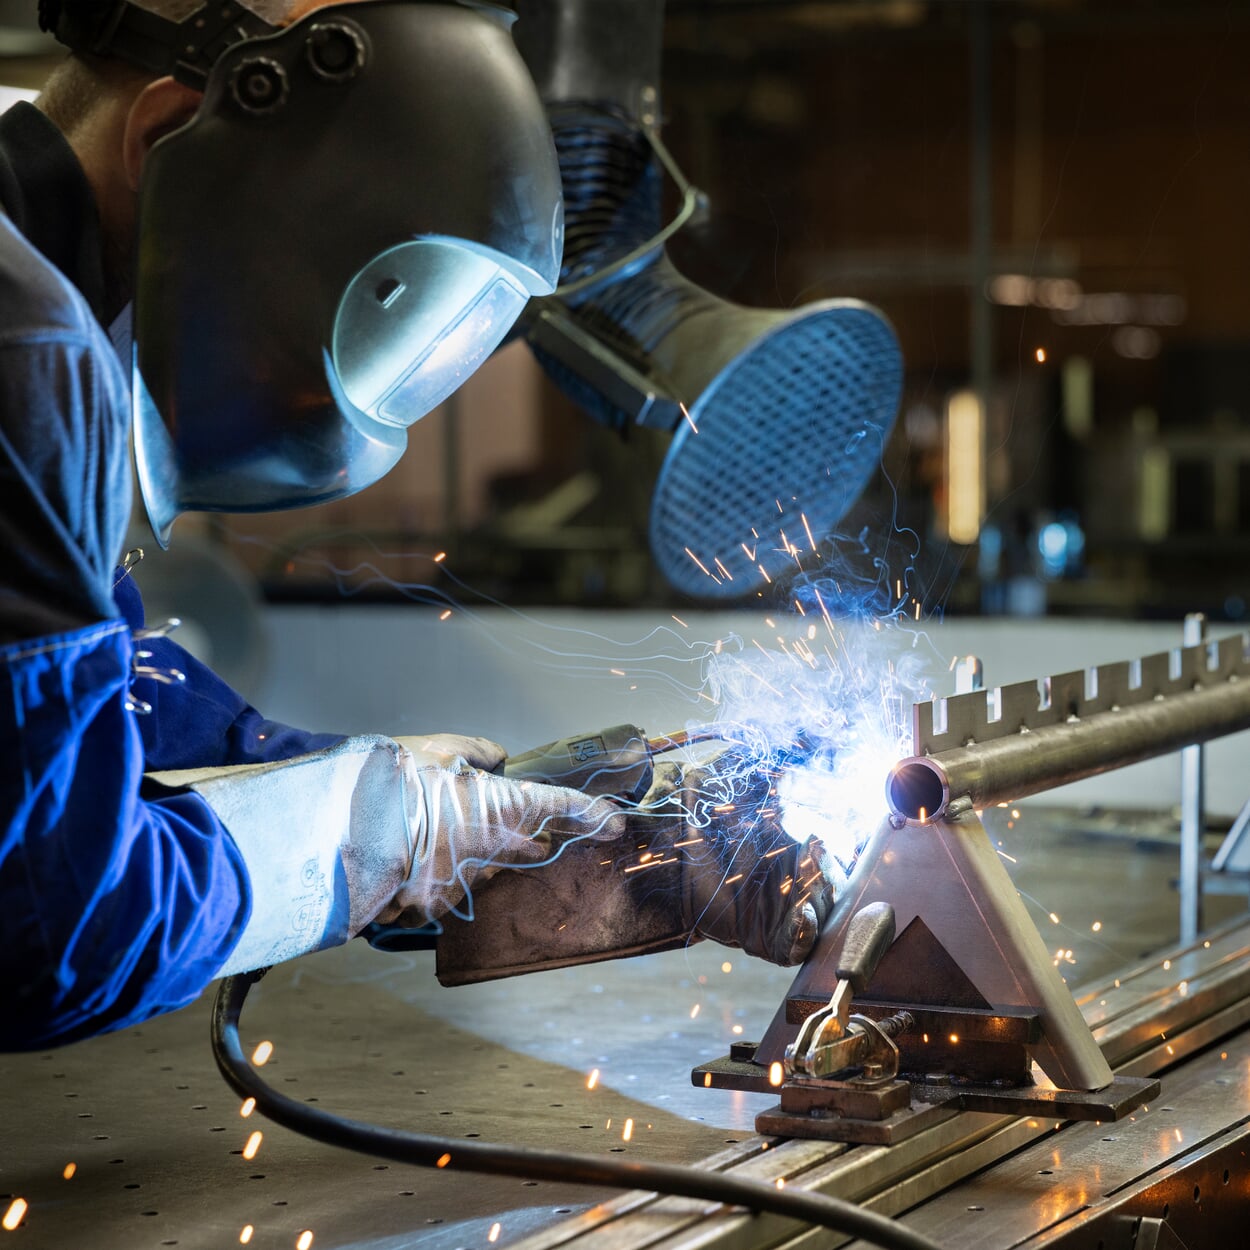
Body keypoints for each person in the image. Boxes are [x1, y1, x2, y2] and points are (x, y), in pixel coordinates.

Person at [0, 0, 833, 1051]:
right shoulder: (27, 344)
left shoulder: (53, 310)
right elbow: (53, 923)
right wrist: (376, 834)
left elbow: (96, 698)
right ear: (172, 138)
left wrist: (392, 790)